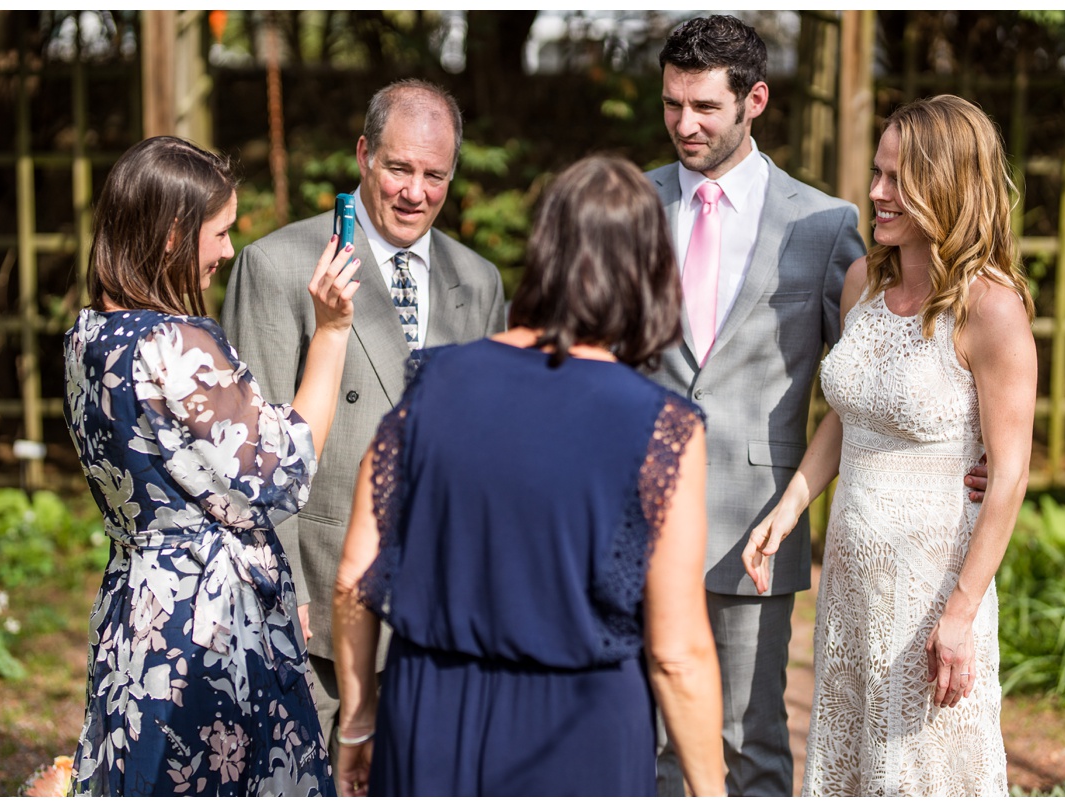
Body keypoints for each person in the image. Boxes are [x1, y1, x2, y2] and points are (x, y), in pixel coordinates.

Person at [646, 17, 989, 796]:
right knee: (646, 732)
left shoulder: (824, 223)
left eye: (703, 106)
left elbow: (869, 375)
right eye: (672, 104)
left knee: (751, 739)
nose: (684, 124)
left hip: (756, 522)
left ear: (754, 99)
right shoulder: (632, 203)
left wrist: (971, 448)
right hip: (638, 516)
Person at [330, 155, 725, 797]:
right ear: (649, 270)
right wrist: (711, 791)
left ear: (543, 253)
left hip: (427, 717)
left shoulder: (433, 384)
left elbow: (353, 580)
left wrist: (357, 721)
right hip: (581, 731)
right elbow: (677, 652)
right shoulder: (664, 427)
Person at [743, 94, 1036, 796]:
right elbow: (849, 415)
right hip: (850, 582)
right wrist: (790, 507)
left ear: (949, 186)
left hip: (933, 587)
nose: (875, 192)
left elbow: (1011, 474)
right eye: (877, 172)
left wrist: (961, 613)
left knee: (923, 769)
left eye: (898, 179)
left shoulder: (991, 308)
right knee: (852, 760)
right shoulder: (861, 284)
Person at [220, 78, 506, 767]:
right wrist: (278, 591)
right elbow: (250, 459)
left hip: (442, 611)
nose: (415, 192)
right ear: (363, 156)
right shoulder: (279, 266)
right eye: (399, 168)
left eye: (434, 175)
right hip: (318, 600)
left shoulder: (481, 281)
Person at [63, 135, 361, 795]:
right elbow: (281, 471)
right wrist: (333, 333)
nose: (228, 251)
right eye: (220, 232)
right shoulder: (179, 342)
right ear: (173, 233)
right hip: (207, 629)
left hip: (134, 608)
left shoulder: (87, 338)